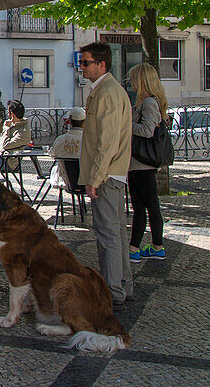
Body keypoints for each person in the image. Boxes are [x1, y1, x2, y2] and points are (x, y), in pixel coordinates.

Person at [77, 41, 133, 310]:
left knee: (108, 233)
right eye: (81, 62)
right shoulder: (104, 90)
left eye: (86, 62)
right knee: (116, 232)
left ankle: (113, 291)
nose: (82, 67)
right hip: (110, 173)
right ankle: (123, 284)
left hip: (107, 175)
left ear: (102, 64)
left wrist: (94, 177)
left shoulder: (108, 92)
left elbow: (107, 141)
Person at [127, 63, 167, 263]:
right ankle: (138, 247)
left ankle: (150, 246)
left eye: (133, 79)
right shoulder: (145, 102)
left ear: (141, 80)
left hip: (142, 163)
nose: (131, 83)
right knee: (142, 207)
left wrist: (126, 123)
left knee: (148, 207)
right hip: (137, 164)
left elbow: (146, 131)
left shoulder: (149, 103)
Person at [0, 100, 31, 174]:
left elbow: (5, 145)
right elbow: (0, 142)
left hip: (8, 161)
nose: (7, 114)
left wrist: (6, 128)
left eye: (8, 112)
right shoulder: (13, 125)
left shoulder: (23, 131)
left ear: (12, 114)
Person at [48, 107, 84, 190]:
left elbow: (52, 154)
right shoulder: (89, 140)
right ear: (85, 122)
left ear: (70, 121)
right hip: (85, 182)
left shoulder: (60, 140)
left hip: (65, 181)